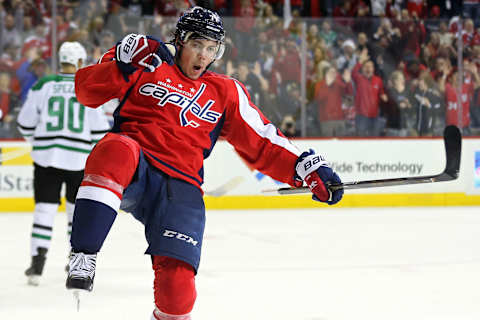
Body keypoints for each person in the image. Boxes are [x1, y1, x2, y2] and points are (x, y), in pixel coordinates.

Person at [65, 7, 344, 320]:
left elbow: (263, 139)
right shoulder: (146, 61)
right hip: (137, 165)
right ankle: (84, 254)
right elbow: (85, 90)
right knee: (115, 148)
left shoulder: (224, 90)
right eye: (198, 45)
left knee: (178, 294)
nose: (203, 55)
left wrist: (306, 169)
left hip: (181, 188)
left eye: (212, 48)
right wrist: (121, 63)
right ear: (181, 41)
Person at [16, 41, 110, 286]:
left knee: (44, 210)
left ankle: (37, 266)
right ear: (80, 62)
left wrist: (40, 143)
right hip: (78, 161)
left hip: (45, 159)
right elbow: (100, 131)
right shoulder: (85, 87)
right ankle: (74, 264)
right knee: (74, 214)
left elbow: (25, 123)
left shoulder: (43, 85)